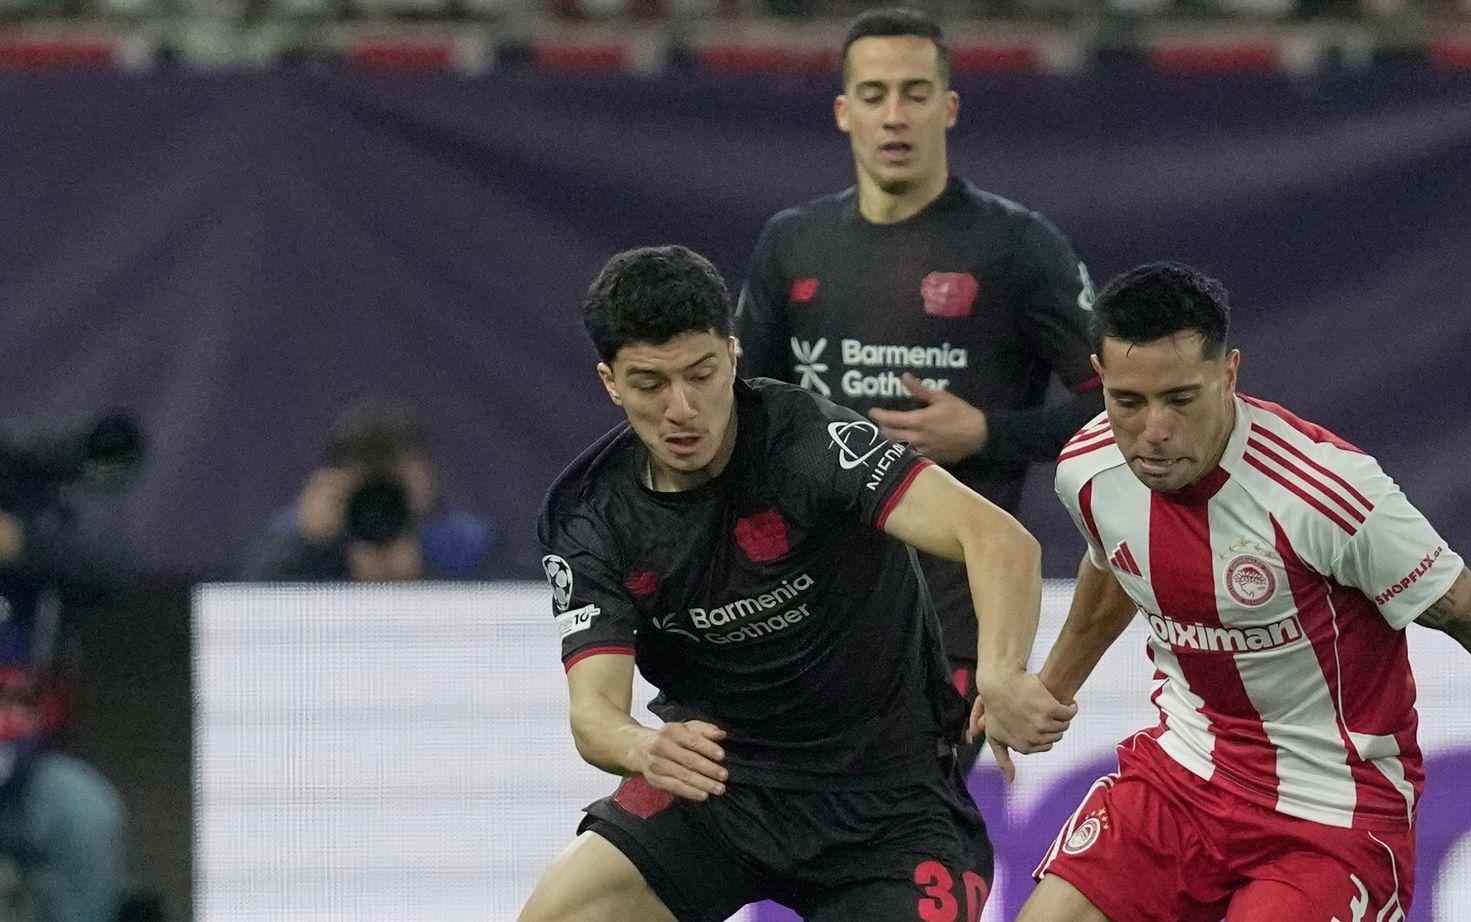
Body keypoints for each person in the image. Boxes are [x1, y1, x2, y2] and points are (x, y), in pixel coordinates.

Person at [1001, 263, 1471, 922]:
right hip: (1182, 777)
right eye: (1129, 401)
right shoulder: (1090, 470)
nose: (1153, 430)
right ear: (1100, 381)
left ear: (1229, 375)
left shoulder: (1327, 493)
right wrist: (1053, 686)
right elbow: (1115, 563)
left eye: (1181, 399)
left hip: (1330, 816)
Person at [517, 245, 1073, 922]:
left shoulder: (811, 439)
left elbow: (997, 540)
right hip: (720, 786)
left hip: (890, 804)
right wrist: (642, 746)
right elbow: (594, 715)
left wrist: (1002, 673)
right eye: (649, 384)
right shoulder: (588, 513)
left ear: (733, 353)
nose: (682, 408)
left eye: (701, 373)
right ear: (610, 381)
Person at [734, 7, 1101, 759]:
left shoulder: (1016, 247)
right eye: (872, 95)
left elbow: (1121, 403)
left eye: (914, 92)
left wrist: (990, 433)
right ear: (843, 112)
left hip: (950, 630)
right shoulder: (792, 243)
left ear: (949, 106)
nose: (894, 116)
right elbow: (745, 419)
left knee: (892, 844)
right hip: (807, 615)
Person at [0, 510, 128, 922]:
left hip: (18, 776)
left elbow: (109, 570)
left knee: (86, 811)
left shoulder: (21, 569)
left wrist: (22, 544)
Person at [240, 399, 493, 581]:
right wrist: (306, 547)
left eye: (392, 476)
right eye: (368, 475)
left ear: (426, 478)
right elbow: (238, 615)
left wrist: (422, 575)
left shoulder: (463, 543)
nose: (379, 493)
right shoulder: (294, 540)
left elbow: (506, 612)